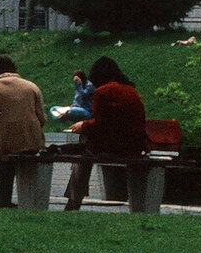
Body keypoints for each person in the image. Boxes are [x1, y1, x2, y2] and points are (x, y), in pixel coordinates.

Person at [61, 54, 147, 211]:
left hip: (113, 146)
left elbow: (101, 124)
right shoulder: (131, 91)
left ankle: (74, 199)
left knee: (83, 152)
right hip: (134, 146)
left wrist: (84, 126)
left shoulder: (103, 92)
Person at [0, 54, 47, 205]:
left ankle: (1, 197)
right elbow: (42, 118)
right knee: (14, 155)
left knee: (4, 157)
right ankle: (23, 198)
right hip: (32, 140)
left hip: (6, 141)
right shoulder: (31, 86)